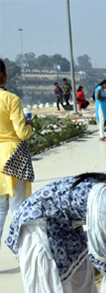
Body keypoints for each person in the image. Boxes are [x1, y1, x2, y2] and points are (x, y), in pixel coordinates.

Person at [0, 61, 29, 240]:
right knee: (18, 205)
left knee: (0, 208)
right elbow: (22, 133)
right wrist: (30, 125)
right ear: (3, 75)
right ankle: (21, 252)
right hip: (12, 154)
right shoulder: (10, 99)